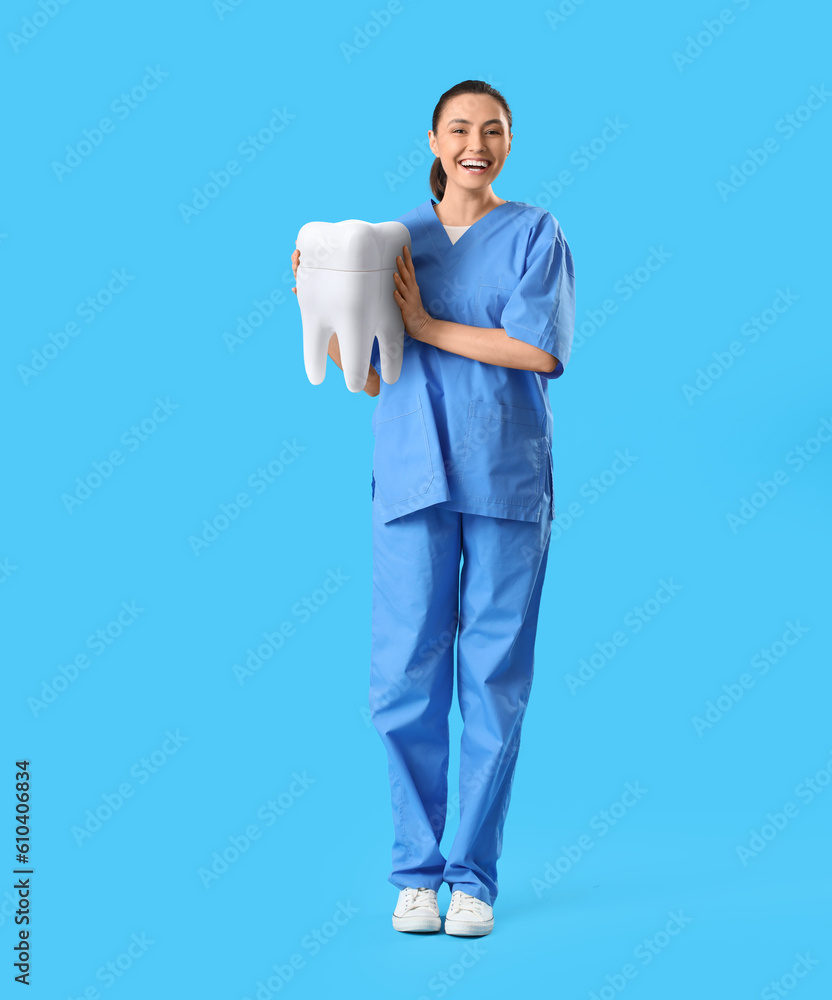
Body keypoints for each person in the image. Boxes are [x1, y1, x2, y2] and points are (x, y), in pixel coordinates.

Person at [291, 80, 575, 937]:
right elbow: (373, 372)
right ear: (434, 138)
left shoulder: (535, 234)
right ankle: (416, 873)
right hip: (414, 471)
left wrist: (425, 319)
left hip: (504, 478)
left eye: (492, 130)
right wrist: (318, 298)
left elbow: (539, 350)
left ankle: (475, 879)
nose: (474, 144)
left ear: (510, 143)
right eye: (460, 129)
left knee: (493, 682)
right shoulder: (389, 240)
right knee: (403, 678)